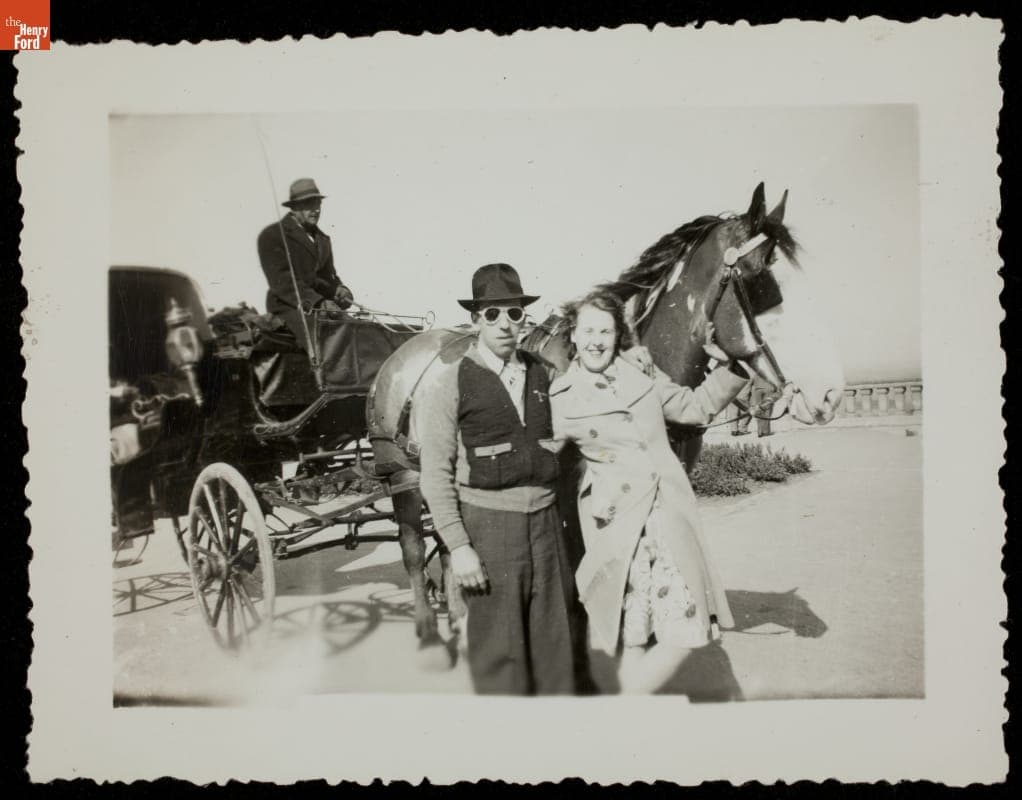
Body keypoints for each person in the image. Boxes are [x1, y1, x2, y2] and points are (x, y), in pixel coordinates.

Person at [546, 288, 750, 694]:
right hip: (618, 527)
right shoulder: (561, 398)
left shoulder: (642, 374)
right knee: (633, 634)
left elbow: (694, 408)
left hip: (666, 518)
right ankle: (630, 722)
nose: (596, 341)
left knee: (683, 631)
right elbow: (542, 458)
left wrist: (732, 368)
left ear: (618, 334)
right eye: (587, 331)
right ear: (573, 335)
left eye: (605, 331)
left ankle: (625, 712)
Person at [417, 263, 576, 695]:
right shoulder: (452, 383)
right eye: (492, 314)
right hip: (489, 530)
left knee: (556, 653)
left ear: (524, 320)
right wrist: (460, 547)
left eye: (514, 313)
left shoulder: (547, 375)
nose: (504, 324)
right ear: (475, 321)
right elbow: (435, 474)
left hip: (546, 530)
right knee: (499, 659)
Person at [257, 178, 355, 352]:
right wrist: (318, 302)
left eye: (318, 204)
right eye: (309, 204)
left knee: (358, 330)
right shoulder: (273, 235)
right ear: (294, 208)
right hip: (289, 307)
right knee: (327, 339)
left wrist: (340, 289)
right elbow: (282, 282)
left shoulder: (324, 240)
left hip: (321, 307)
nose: (316, 210)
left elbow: (329, 276)